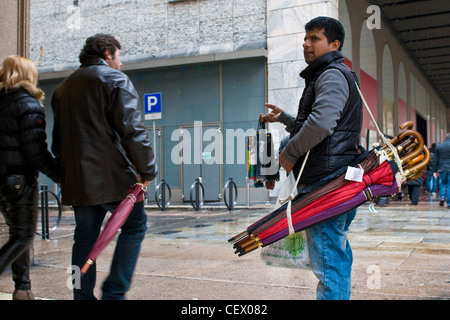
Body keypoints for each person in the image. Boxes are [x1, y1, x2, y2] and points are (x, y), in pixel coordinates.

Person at [260, 17, 362, 300]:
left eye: (315, 38)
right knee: (335, 257)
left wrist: (289, 153)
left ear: (334, 44)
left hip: (327, 183)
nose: (306, 43)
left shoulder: (331, 75)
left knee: (329, 265)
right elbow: (320, 126)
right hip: (332, 179)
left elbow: (321, 125)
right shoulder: (327, 74)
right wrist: (286, 119)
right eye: (306, 38)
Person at [51, 34, 157, 300]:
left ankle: (81, 295)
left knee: (83, 240)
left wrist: (65, 175)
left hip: (79, 182)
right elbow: (132, 131)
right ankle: (114, 292)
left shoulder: (63, 89)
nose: (120, 62)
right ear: (108, 53)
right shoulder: (114, 79)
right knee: (135, 227)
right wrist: (148, 170)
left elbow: (57, 144)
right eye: (119, 56)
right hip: (116, 179)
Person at [0, 55, 60, 300]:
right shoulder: (28, 105)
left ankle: (22, 288)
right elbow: (35, 152)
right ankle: (22, 287)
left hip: (1, 180)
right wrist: (60, 174)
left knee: (18, 234)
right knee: (24, 235)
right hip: (19, 180)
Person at [433, 133, 450, 208]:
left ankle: (442, 198)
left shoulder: (439, 146)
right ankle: (449, 203)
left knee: (443, 183)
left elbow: (436, 159)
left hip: (442, 168)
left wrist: (435, 170)